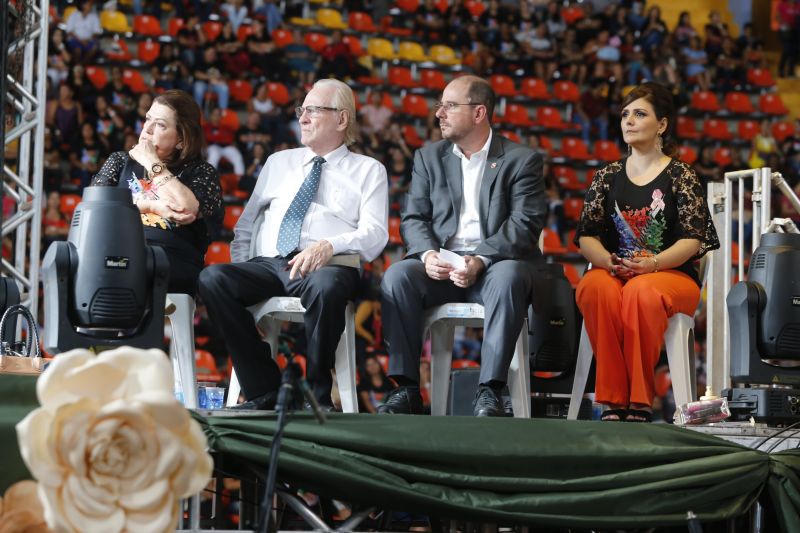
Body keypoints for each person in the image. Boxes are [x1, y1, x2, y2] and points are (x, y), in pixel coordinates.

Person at [197, 79, 389, 411]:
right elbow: (247, 223)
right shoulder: (278, 162)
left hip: (328, 266)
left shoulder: (369, 170)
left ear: (342, 119)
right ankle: (264, 389)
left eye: (313, 110)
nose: (302, 117)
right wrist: (247, 263)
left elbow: (375, 234)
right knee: (213, 280)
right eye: (302, 110)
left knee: (327, 286)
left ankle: (316, 391)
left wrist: (329, 245)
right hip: (268, 264)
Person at [378, 75, 546, 417]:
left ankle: (490, 391)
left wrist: (481, 259)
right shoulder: (428, 157)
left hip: (494, 267)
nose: (439, 112)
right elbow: (413, 218)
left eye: (450, 105)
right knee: (398, 275)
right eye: (440, 105)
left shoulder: (521, 160)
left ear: (479, 112)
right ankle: (407, 389)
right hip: (441, 267)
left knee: (510, 275)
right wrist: (427, 255)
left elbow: (524, 224)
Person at [573, 82, 719, 423]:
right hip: (615, 271)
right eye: (625, 114)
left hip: (670, 276)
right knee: (593, 288)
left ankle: (638, 401)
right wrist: (606, 261)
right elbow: (586, 237)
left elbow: (692, 241)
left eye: (640, 114)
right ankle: (612, 400)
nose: (629, 121)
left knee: (642, 291)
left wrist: (651, 264)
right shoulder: (606, 176)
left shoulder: (681, 175)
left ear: (662, 125)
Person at [92, 89, 223, 296]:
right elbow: (96, 210)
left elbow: (186, 208)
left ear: (181, 139)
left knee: (121, 266)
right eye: (148, 119)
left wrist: (153, 163)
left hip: (171, 261)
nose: (148, 129)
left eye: (160, 125)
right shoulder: (119, 161)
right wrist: (151, 206)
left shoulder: (201, 172)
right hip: (117, 251)